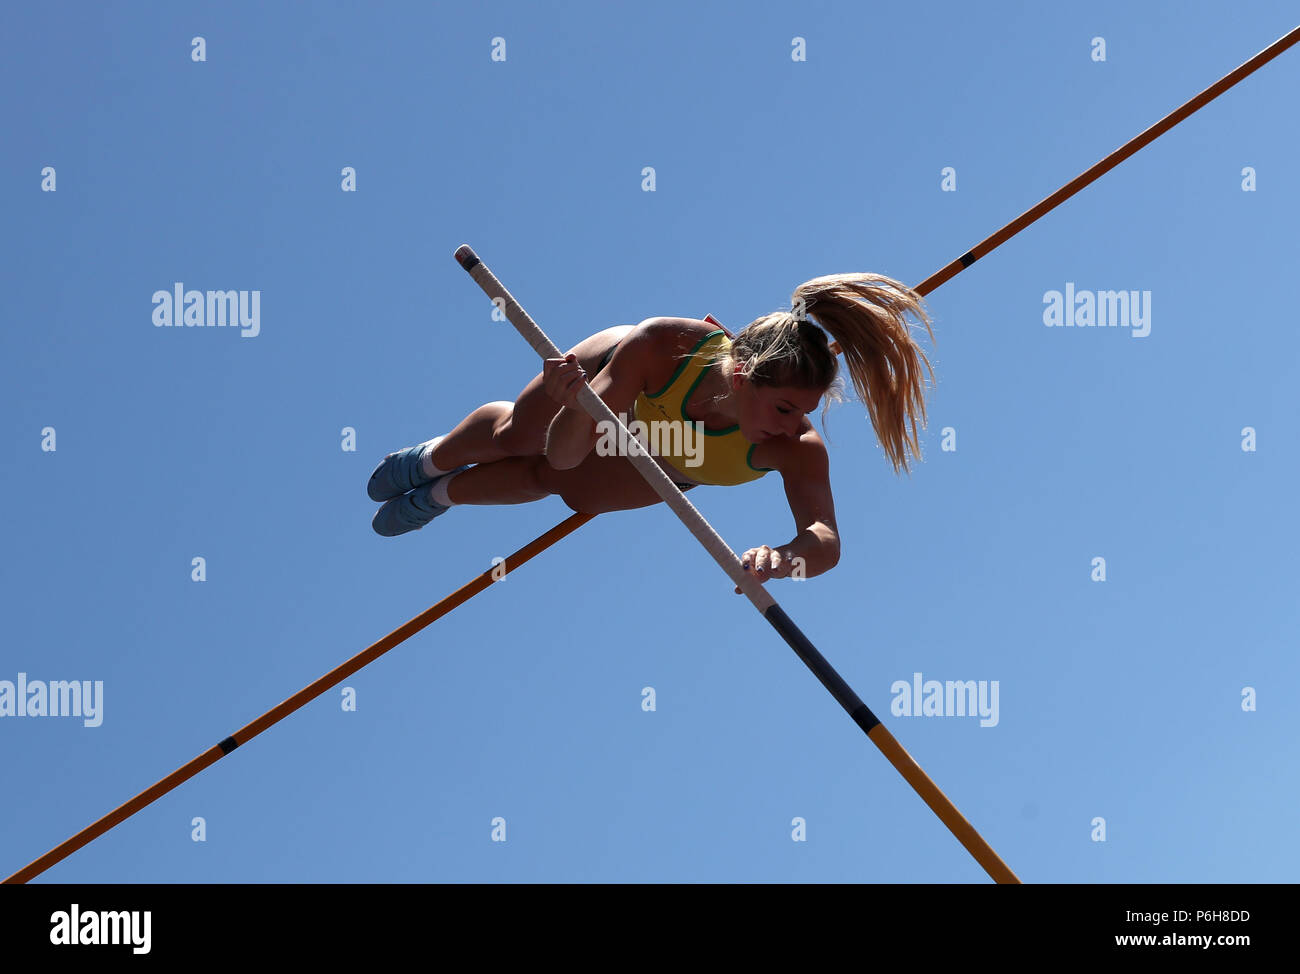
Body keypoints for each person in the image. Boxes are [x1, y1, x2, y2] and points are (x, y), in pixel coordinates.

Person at [367, 272, 935, 589]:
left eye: (804, 411)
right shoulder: (665, 345)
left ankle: (438, 496)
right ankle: (432, 460)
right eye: (784, 408)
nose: (795, 426)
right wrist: (575, 406)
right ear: (741, 377)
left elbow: (826, 541)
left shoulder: (796, 448)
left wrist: (784, 557)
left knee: (562, 488)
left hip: (675, 454)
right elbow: (567, 450)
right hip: (618, 382)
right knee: (522, 440)